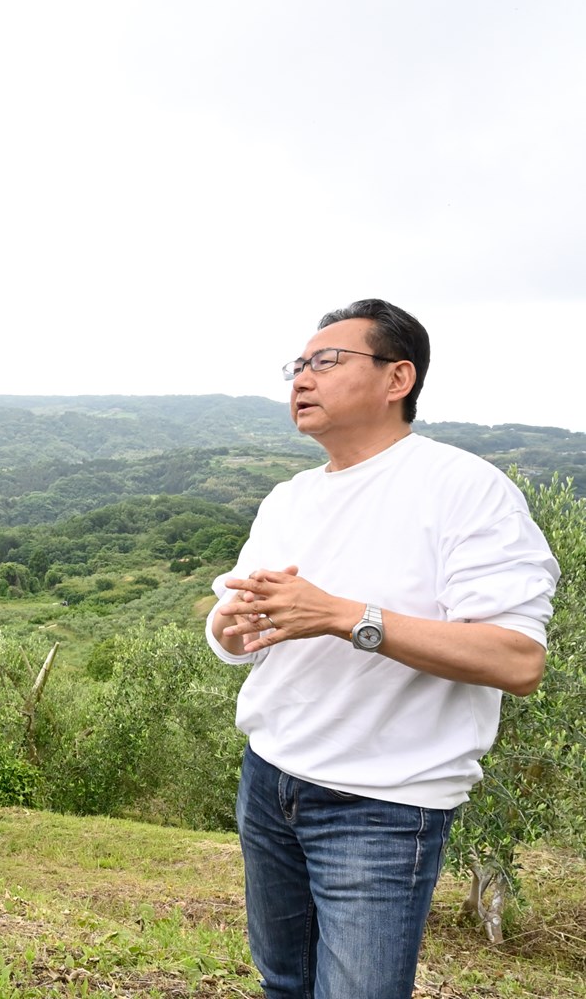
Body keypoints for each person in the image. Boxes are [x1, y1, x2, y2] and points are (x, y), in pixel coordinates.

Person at [206, 298, 557, 999]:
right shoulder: (289, 498)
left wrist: (346, 617)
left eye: (326, 362)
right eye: (297, 366)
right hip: (270, 778)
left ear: (398, 379)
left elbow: (516, 659)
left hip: (383, 802)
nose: (302, 379)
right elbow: (238, 621)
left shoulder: (465, 490)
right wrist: (230, 629)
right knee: (283, 981)